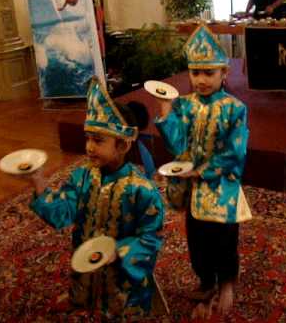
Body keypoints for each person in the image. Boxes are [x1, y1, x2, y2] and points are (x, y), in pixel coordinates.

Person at [28, 78, 165, 321]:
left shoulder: (142, 191)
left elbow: (151, 239)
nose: (89, 147)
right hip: (87, 273)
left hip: (123, 281)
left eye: (99, 140)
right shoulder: (82, 177)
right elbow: (63, 212)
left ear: (122, 145)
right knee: (87, 300)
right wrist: (39, 183)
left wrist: (119, 252)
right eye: (88, 138)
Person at [154, 24, 249, 316]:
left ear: (224, 74)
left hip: (221, 186)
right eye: (196, 73)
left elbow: (235, 153)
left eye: (209, 73)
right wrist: (166, 112)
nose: (201, 80)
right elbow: (178, 145)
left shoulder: (235, 108)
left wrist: (201, 171)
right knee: (197, 238)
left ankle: (227, 281)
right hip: (191, 188)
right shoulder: (184, 105)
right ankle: (206, 279)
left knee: (223, 237)